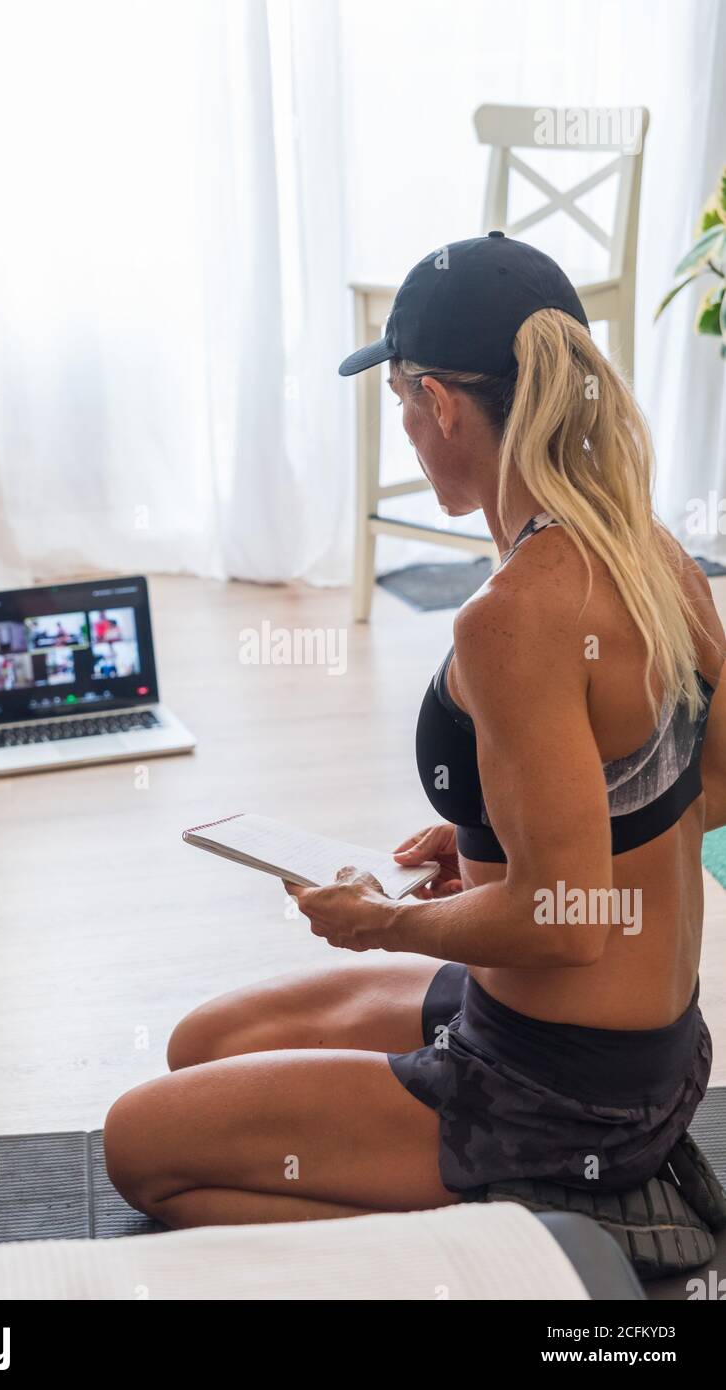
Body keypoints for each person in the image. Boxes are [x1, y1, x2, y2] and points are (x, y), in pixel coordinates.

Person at [104, 234, 724, 1228]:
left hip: (555, 1091)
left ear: (440, 402)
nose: (403, 424)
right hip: (650, 1051)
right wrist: (494, 834)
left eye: (400, 401)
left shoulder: (513, 615)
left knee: (141, 1149)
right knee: (200, 1045)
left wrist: (380, 921)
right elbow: (710, 784)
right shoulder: (658, 554)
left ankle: (534, 1233)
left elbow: (566, 919)